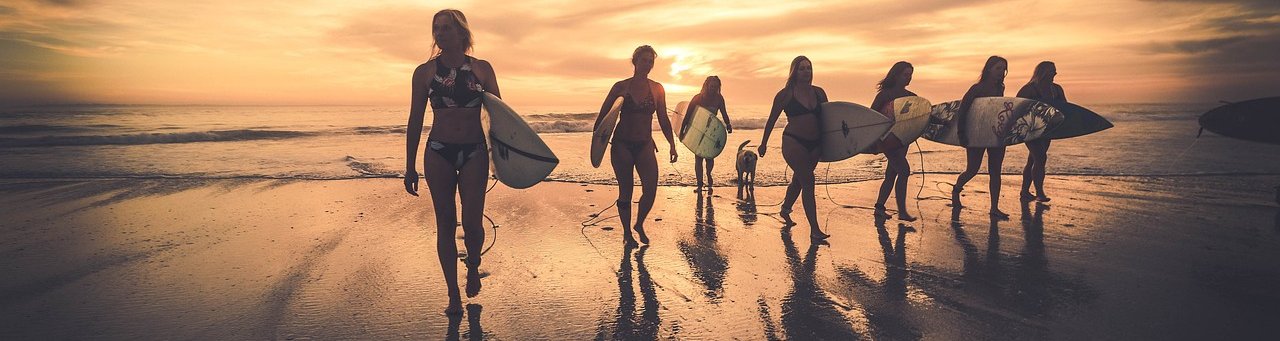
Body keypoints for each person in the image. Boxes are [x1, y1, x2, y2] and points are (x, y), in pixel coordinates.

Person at [404, 9, 499, 316]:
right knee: (445, 224)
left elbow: (499, 116)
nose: (440, 33)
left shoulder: (482, 69)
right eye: (436, 29)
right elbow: (415, 119)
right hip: (438, 151)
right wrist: (409, 166)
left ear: (461, 32)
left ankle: (473, 265)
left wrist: (507, 160)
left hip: (474, 150)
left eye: (446, 28)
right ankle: (453, 294)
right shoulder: (425, 72)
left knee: (472, 223)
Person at [592, 45, 678, 247]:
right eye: (644, 60)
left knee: (651, 190)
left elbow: (664, 119)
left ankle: (639, 224)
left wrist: (672, 145)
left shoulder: (657, 89)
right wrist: (598, 144)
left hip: (645, 144)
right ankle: (626, 233)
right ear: (635, 61)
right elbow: (603, 117)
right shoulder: (620, 87)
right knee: (626, 191)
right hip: (622, 144)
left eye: (651, 61)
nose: (648, 64)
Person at [758, 56, 830, 241]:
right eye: (802, 68)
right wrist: (764, 142)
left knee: (799, 180)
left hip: (814, 144)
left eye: (809, 68)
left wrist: (833, 143)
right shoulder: (785, 94)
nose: (806, 72)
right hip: (794, 142)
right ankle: (815, 230)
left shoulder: (819, 93)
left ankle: (785, 209)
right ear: (794, 72)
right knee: (808, 180)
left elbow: (829, 119)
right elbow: (772, 119)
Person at [952, 56, 1012, 220]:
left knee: (995, 171)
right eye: (998, 68)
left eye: (1004, 69)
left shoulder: (1001, 88)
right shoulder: (977, 88)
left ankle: (994, 208)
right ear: (989, 69)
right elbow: (963, 110)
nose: (1001, 72)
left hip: (996, 134)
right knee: (972, 169)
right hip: (977, 133)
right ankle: (956, 189)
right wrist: (961, 133)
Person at [870, 61, 919, 222]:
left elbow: (921, 118)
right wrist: (873, 141)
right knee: (904, 171)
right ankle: (902, 211)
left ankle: (879, 208)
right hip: (888, 141)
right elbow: (871, 117)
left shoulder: (912, 97)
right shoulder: (885, 95)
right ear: (896, 75)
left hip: (903, 141)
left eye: (910, 75)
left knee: (891, 174)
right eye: (905, 74)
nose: (908, 78)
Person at [1017, 61, 1065, 202]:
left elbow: (1064, 108)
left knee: (1033, 159)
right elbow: (1017, 109)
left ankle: (1024, 192)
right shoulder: (1029, 89)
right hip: (1030, 129)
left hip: (1047, 130)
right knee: (1040, 157)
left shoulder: (1056, 89)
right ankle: (1040, 193)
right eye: (1052, 71)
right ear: (1043, 72)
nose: (1055, 73)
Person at [681, 76, 734, 192]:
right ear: (706, 85)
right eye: (711, 86)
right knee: (698, 158)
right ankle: (699, 184)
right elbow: (688, 115)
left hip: (712, 131)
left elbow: (724, 112)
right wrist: (682, 131)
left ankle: (709, 174)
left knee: (710, 157)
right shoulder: (698, 98)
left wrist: (728, 124)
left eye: (715, 87)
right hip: (698, 130)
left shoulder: (719, 99)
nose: (713, 89)